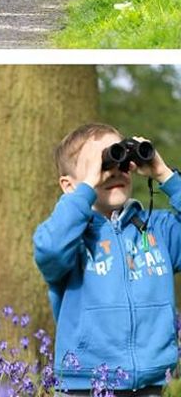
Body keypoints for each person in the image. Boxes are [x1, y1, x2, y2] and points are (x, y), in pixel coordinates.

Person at [33, 124, 181, 392]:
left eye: (120, 159)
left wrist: (164, 174)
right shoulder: (72, 239)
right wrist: (87, 187)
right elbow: (49, 250)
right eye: (100, 164)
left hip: (150, 386)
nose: (113, 170)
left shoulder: (158, 229)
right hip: (84, 385)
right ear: (70, 185)